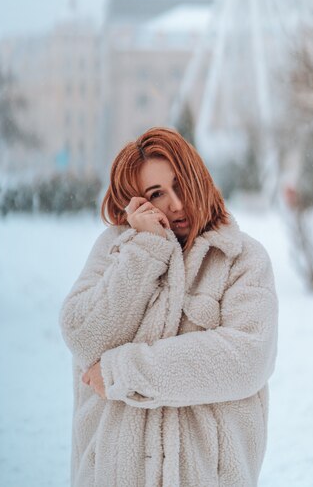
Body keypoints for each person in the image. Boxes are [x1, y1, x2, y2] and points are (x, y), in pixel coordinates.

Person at [59, 126, 279, 487]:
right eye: (156, 194)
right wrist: (146, 249)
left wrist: (122, 371)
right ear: (136, 202)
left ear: (198, 176)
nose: (175, 204)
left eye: (180, 184)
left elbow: (247, 358)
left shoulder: (242, 258)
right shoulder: (115, 249)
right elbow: (84, 337)